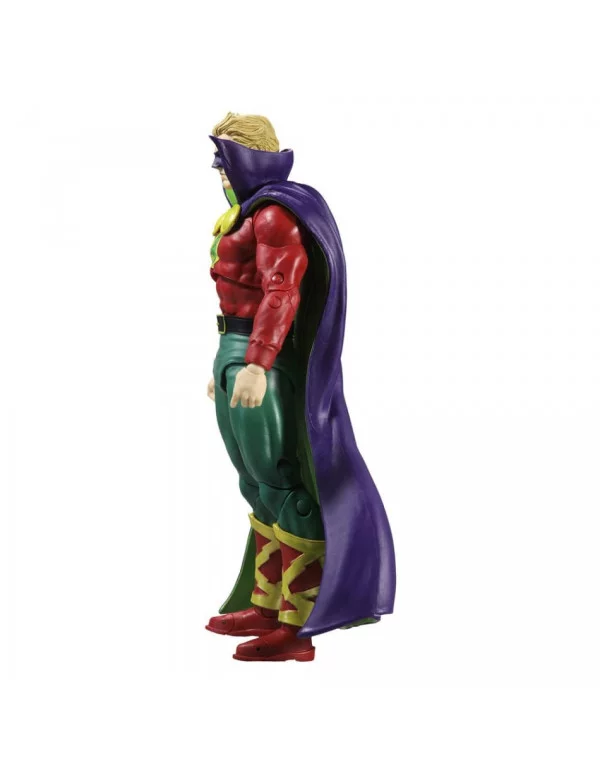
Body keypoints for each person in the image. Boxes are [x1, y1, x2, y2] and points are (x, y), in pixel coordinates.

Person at [204, 113, 395, 662]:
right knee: (254, 484)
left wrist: (257, 363)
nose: (218, 168)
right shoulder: (243, 216)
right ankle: (268, 604)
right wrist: (228, 363)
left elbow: (281, 292)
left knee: (280, 482)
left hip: (261, 358)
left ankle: (299, 622)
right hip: (234, 349)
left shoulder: (273, 216)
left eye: (225, 156)